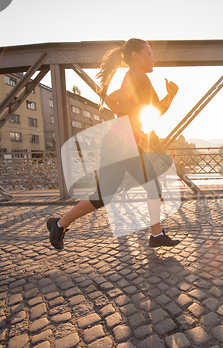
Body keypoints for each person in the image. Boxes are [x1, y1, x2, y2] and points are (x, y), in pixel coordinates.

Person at [46, 38, 180, 250]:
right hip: (121, 145)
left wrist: (125, 116)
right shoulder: (139, 77)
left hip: (126, 143)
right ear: (135, 56)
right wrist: (171, 96)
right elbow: (158, 111)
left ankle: (157, 234)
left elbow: (110, 98)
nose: (153, 59)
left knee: (152, 186)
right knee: (102, 197)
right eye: (149, 54)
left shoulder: (130, 78)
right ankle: (59, 224)